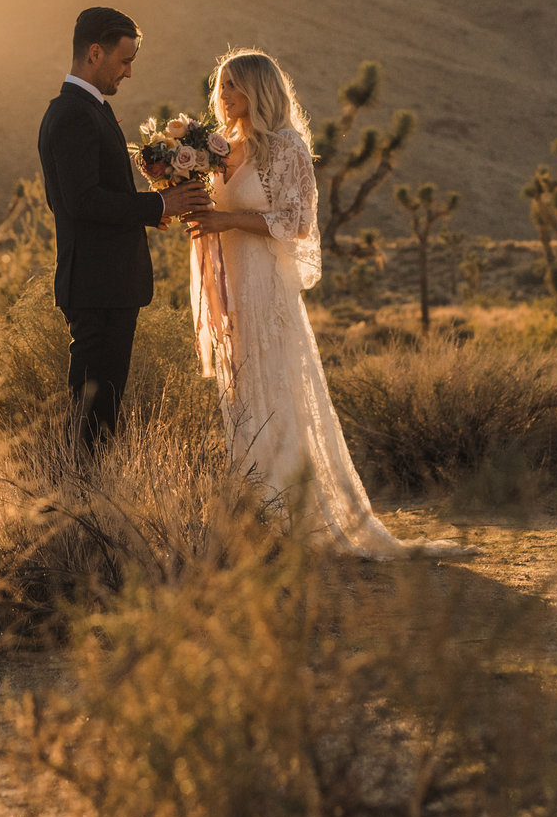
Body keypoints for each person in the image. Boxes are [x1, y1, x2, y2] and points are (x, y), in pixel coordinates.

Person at [186, 49, 473, 560]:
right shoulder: (217, 148)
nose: (224, 95)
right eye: (222, 86)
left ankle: (291, 518)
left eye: (234, 86)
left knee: (277, 395)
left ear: (260, 90)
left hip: (265, 289)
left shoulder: (287, 147)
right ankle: (254, 519)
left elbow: (296, 222)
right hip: (231, 292)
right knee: (242, 398)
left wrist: (227, 222)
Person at [36, 7, 209, 445]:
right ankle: (81, 504)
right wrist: (156, 205)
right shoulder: (74, 113)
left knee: (101, 411)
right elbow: (79, 201)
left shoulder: (88, 109)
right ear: (95, 53)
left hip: (106, 284)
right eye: (124, 60)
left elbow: (88, 196)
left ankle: (87, 500)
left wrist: (154, 207)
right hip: (97, 286)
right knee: (93, 417)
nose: (129, 72)